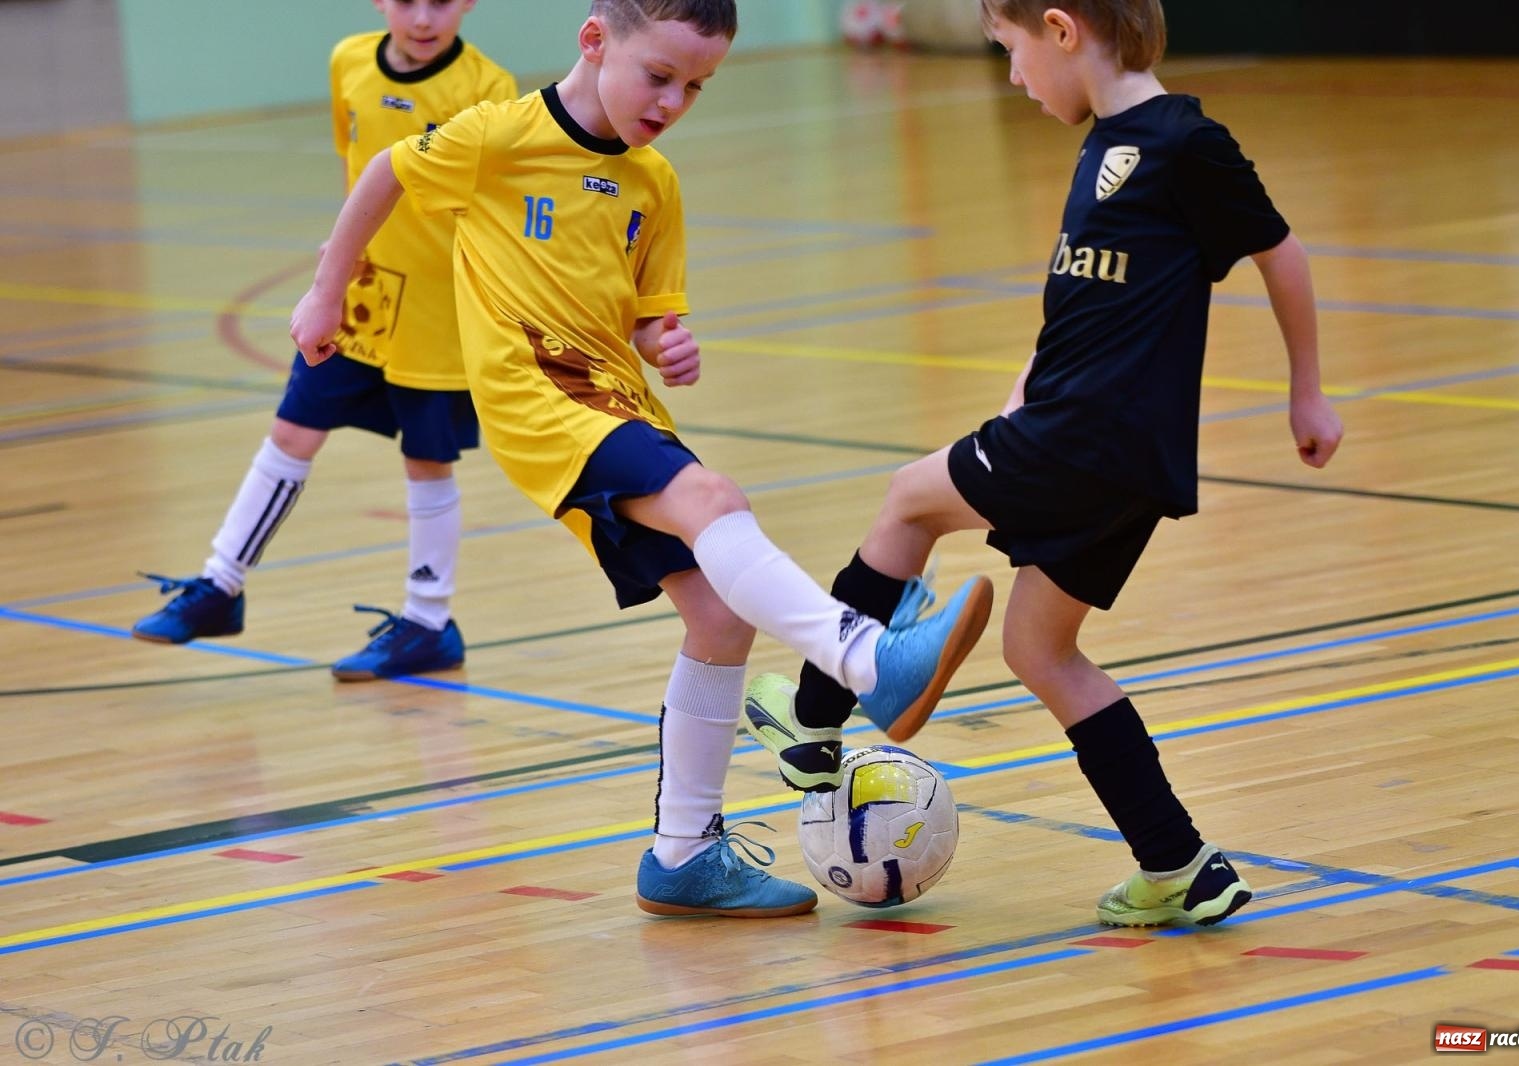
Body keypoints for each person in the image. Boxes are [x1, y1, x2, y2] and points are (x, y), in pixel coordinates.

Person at [287, 0, 994, 918]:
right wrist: (325, 291)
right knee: (712, 496)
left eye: (696, 86)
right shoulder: (501, 136)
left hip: (616, 400)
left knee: (717, 617)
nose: (673, 101)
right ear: (594, 41)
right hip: (536, 404)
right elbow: (386, 170)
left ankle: (683, 856)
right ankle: (866, 660)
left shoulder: (652, 182)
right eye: (657, 76)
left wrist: (666, 343)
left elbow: (644, 311)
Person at [743, 0, 1344, 928]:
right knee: (1040, 649)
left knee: (908, 501)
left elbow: (1283, 254)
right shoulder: (1103, 147)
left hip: (1089, 438)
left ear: (1063, 30)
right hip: (1113, 456)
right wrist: (1023, 387)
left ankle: (818, 713)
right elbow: (1086, 305)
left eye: (1012, 52)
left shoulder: (1184, 141)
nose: (1014, 76)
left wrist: (1307, 391)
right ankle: (1179, 865)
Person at [132, 0, 517, 681]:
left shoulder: (489, 89)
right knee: (292, 432)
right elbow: (358, 167)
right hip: (361, 298)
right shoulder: (349, 61)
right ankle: (220, 585)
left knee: (427, 463)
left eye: (442, 1)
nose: (424, 17)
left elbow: (498, 208)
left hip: (440, 312)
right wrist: (338, 259)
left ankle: (429, 622)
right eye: (407, 0)